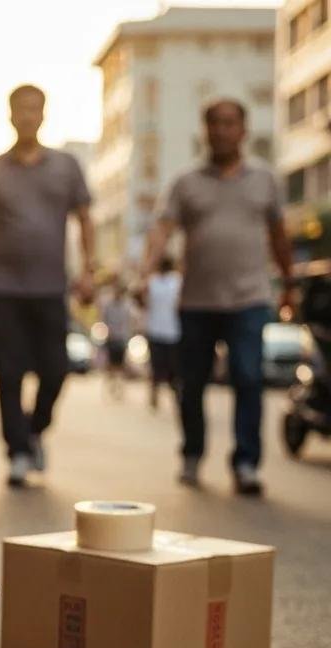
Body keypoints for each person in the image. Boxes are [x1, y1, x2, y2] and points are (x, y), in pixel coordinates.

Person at [141, 99, 298, 495]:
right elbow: (161, 231)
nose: (222, 130)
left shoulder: (265, 180)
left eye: (230, 123)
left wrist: (290, 284)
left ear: (243, 131)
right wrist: (145, 272)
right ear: (204, 130)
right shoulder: (185, 182)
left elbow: (280, 236)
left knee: (248, 378)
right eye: (214, 123)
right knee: (191, 383)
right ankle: (192, 453)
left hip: (249, 299)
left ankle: (246, 463)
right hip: (197, 301)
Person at [0, 84, 95, 487]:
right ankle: (17, 451)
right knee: (8, 372)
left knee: (56, 369)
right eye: (21, 109)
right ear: (10, 114)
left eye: (34, 109)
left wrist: (89, 271)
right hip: (2, 288)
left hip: (52, 287)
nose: (27, 116)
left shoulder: (67, 166)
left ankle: (34, 431)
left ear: (44, 114)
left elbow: (84, 219)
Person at [143, 256, 182, 409]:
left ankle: (155, 396)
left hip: (156, 330)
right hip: (173, 331)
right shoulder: (178, 282)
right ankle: (176, 397)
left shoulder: (153, 282)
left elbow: (143, 298)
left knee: (156, 367)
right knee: (174, 368)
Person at [100, 280, 135, 398]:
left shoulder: (128, 306)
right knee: (111, 363)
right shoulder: (108, 305)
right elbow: (104, 320)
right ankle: (112, 384)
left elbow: (131, 321)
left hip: (122, 338)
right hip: (112, 337)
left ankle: (119, 387)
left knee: (121, 364)